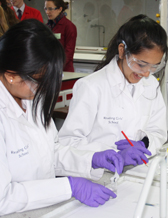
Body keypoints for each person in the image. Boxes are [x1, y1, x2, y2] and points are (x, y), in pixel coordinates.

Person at [0, 19, 124, 215]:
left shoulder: (29, 97)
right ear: (11, 75)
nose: (45, 89)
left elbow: (50, 153)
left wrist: (91, 160)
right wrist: (69, 187)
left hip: (44, 209)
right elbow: (3, 198)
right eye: (41, 81)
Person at [59, 14, 168, 167]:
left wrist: (144, 144)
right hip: (100, 174)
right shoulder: (91, 86)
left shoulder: (150, 84)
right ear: (123, 51)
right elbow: (69, 141)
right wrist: (111, 153)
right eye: (141, 64)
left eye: (154, 66)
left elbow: (158, 132)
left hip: (138, 170)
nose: (146, 73)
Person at [45, 0, 77, 72]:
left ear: (60, 9)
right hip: (49, 70)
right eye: (46, 9)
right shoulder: (47, 26)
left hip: (64, 70)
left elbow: (68, 53)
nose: (47, 12)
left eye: (50, 9)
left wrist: (55, 67)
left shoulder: (69, 26)